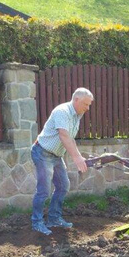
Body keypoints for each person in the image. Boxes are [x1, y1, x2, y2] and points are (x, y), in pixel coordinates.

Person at [30, 88, 92, 235]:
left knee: (63, 186)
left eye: (89, 105)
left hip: (56, 155)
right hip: (42, 153)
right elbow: (63, 135)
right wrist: (76, 158)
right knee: (43, 190)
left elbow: (70, 138)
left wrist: (79, 155)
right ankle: (37, 223)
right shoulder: (62, 111)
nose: (87, 108)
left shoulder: (78, 114)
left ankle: (54, 218)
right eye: (85, 104)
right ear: (76, 100)